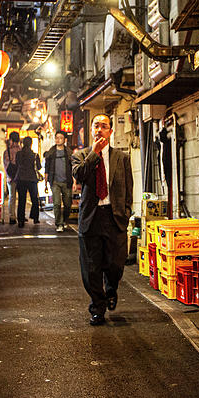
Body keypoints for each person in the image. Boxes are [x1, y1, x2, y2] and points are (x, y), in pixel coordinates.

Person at [72, 114, 133, 326]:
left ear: (111, 131)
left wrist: (126, 211)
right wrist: (94, 154)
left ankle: (112, 288)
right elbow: (79, 176)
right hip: (91, 217)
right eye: (96, 126)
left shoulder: (122, 158)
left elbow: (128, 189)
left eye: (104, 126)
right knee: (91, 267)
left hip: (114, 216)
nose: (99, 130)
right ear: (91, 130)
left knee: (116, 263)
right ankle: (97, 307)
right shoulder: (80, 155)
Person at [44, 130, 73, 232]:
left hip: (67, 181)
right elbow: (46, 169)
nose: (58, 140)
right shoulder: (51, 153)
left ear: (65, 140)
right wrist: (46, 184)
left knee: (68, 203)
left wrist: (74, 181)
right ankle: (59, 224)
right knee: (56, 203)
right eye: (56, 138)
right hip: (54, 181)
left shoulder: (69, 153)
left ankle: (65, 220)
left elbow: (72, 168)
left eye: (60, 138)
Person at [15, 136, 41, 228]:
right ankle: (35, 218)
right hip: (32, 179)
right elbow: (38, 167)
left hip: (21, 178)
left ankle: (21, 220)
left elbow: (17, 164)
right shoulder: (35, 155)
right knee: (34, 199)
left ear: (23, 143)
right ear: (31, 144)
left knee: (22, 200)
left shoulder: (18, 154)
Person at [3, 131, 21, 224]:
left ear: (11, 139)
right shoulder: (21, 150)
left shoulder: (7, 151)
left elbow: (6, 166)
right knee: (21, 197)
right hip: (21, 177)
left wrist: (10, 176)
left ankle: (12, 217)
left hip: (11, 178)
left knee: (12, 197)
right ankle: (21, 216)